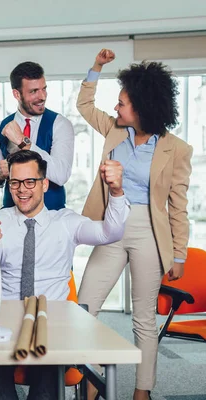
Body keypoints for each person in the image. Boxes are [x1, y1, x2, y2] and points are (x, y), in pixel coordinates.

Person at [76, 49, 193, 400]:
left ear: (142, 108)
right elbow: (85, 105)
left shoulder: (177, 150)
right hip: (112, 221)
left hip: (148, 231)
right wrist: (96, 67)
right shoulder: (114, 130)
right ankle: (92, 380)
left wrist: (179, 254)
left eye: (123, 103)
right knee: (84, 307)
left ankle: (142, 392)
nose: (116, 108)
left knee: (143, 318)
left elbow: (178, 207)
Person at [0, 150, 129, 400]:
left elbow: (110, 233)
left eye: (30, 181)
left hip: (50, 324)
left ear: (44, 183)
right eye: (15, 182)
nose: (22, 190)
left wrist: (116, 192)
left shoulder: (65, 222)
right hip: (6, 324)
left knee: (46, 390)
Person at [0, 62, 74, 210]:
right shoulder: (0, 128)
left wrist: (23, 142)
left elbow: (61, 175)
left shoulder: (60, 124)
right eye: (33, 91)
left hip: (52, 216)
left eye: (44, 89)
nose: (42, 96)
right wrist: (0, 174)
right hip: (11, 217)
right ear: (17, 94)